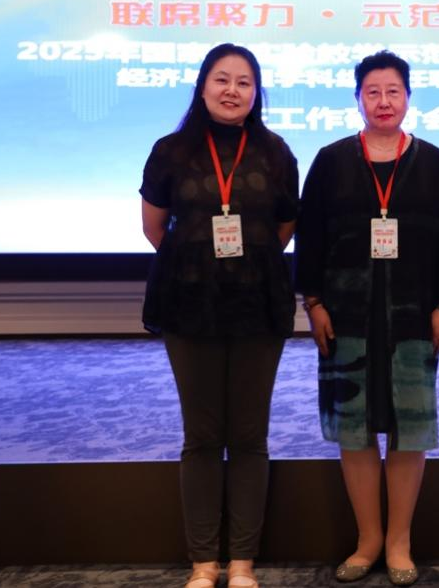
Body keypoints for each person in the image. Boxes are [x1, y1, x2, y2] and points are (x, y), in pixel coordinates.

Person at [295, 51, 439, 586]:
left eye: (393, 91)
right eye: (373, 91)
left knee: (408, 432)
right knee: (354, 431)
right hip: (345, 318)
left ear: (409, 97)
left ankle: (399, 541)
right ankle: (368, 539)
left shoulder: (435, 163)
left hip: (414, 319)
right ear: (357, 99)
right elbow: (310, 238)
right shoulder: (331, 161)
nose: (384, 101)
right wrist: (313, 303)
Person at [140, 43, 298, 588]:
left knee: (250, 435)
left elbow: (283, 228)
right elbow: (154, 228)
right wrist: (199, 265)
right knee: (203, 436)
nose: (233, 90)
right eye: (222, 79)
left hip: (258, 307)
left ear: (256, 92)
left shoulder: (276, 152)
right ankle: (204, 562)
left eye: (244, 82)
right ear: (203, 86)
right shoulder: (170, 151)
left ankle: (243, 563)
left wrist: (242, 265)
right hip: (190, 307)